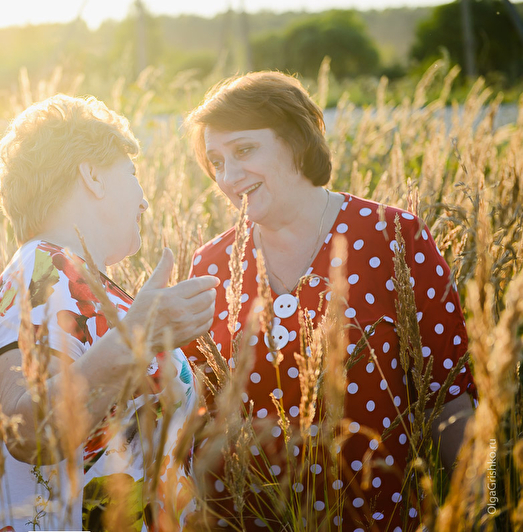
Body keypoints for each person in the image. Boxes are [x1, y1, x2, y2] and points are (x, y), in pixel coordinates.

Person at [181, 72, 476, 531]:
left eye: (244, 150)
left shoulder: (393, 238)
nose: (228, 177)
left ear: (296, 141)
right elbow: (192, 416)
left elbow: (451, 403)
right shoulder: (211, 265)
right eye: (216, 161)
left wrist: (491, 507)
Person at [0, 94, 219, 532]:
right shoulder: (41, 274)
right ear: (92, 175)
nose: (144, 202)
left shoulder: (74, 278)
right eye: (132, 174)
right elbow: (26, 432)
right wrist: (137, 337)